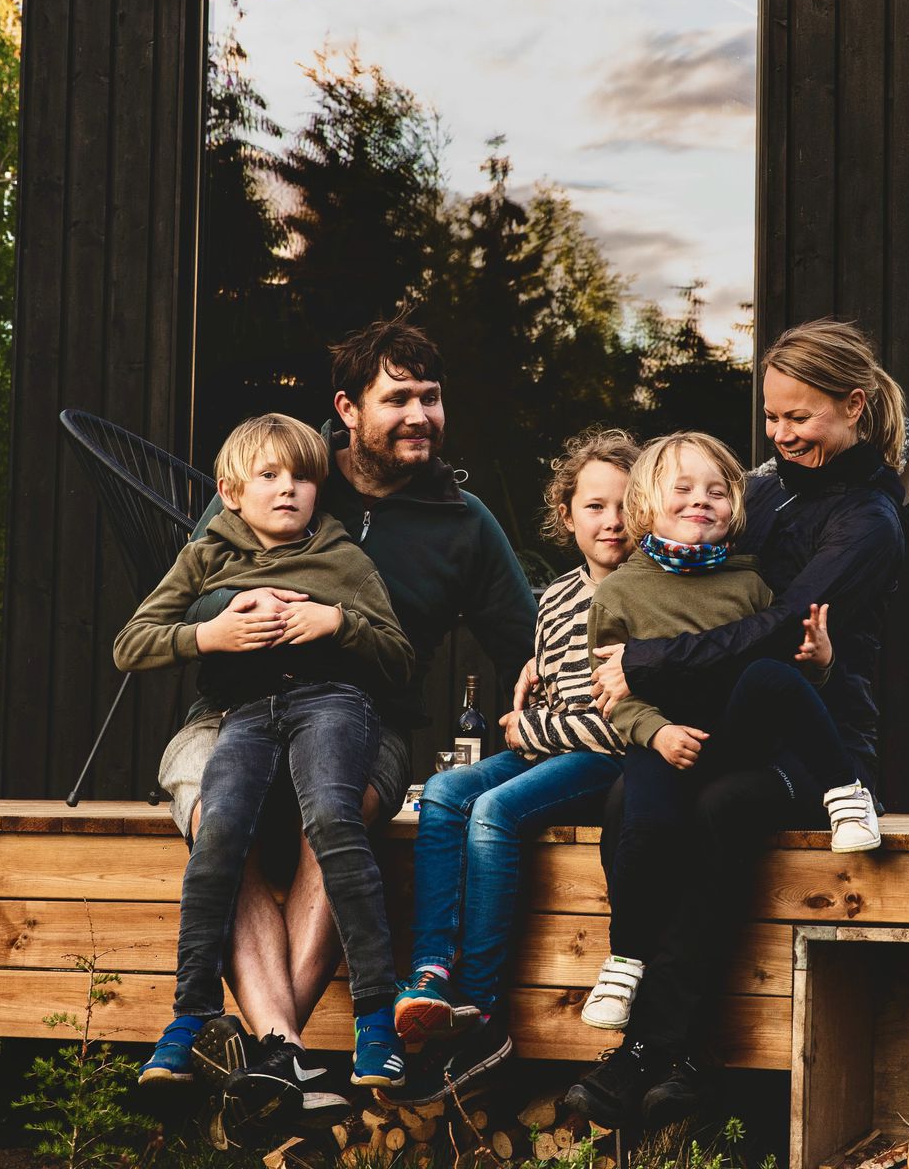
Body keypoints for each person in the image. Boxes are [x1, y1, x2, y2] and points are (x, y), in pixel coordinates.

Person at [153, 318, 538, 1130]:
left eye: (432, 399)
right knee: (211, 809)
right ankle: (286, 1050)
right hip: (228, 713)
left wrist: (575, 668)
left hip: (370, 721)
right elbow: (188, 596)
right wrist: (242, 609)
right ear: (348, 410)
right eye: (397, 398)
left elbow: (528, 637)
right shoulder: (286, 468)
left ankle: (265, 1057)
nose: (420, 416)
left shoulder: (463, 522)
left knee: (346, 814)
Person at [568, 320, 909, 1127]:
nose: (782, 435)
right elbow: (667, 537)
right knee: (631, 802)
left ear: (853, 406)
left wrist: (645, 660)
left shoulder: (865, 523)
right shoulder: (770, 486)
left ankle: (660, 1052)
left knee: (720, 809)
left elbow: (783, 630)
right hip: (714, 720)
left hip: (809, 731)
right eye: (773, 417)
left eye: (801, 418)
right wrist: (573, 633)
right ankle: (663, 1044)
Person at [113, 413, 415, 1094]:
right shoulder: (206, 556)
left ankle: (374, 1018)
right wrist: (211, 634)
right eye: (269, 477)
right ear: (230, 491)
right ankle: (192, 1017)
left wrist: (338, 623)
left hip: (332, 702)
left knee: (335, 821)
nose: (288, 490)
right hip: (243, 714)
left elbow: (399, 658)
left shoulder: (343, 559)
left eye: (303, 477)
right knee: (218, 833)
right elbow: (130, 644)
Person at [385, 428, 639, 1103]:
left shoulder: (654, 592)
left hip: (607, 763)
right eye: (594, 506)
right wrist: (537, 699)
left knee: (494, 811)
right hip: (551, 747)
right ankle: (432, 972)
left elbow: (622, 725)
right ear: (566, 516)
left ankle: (484, 1012)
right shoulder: (554, 597)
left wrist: (531, 724)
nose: (611, 521)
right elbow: (556, 689)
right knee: (443, 793)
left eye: (625, 505)